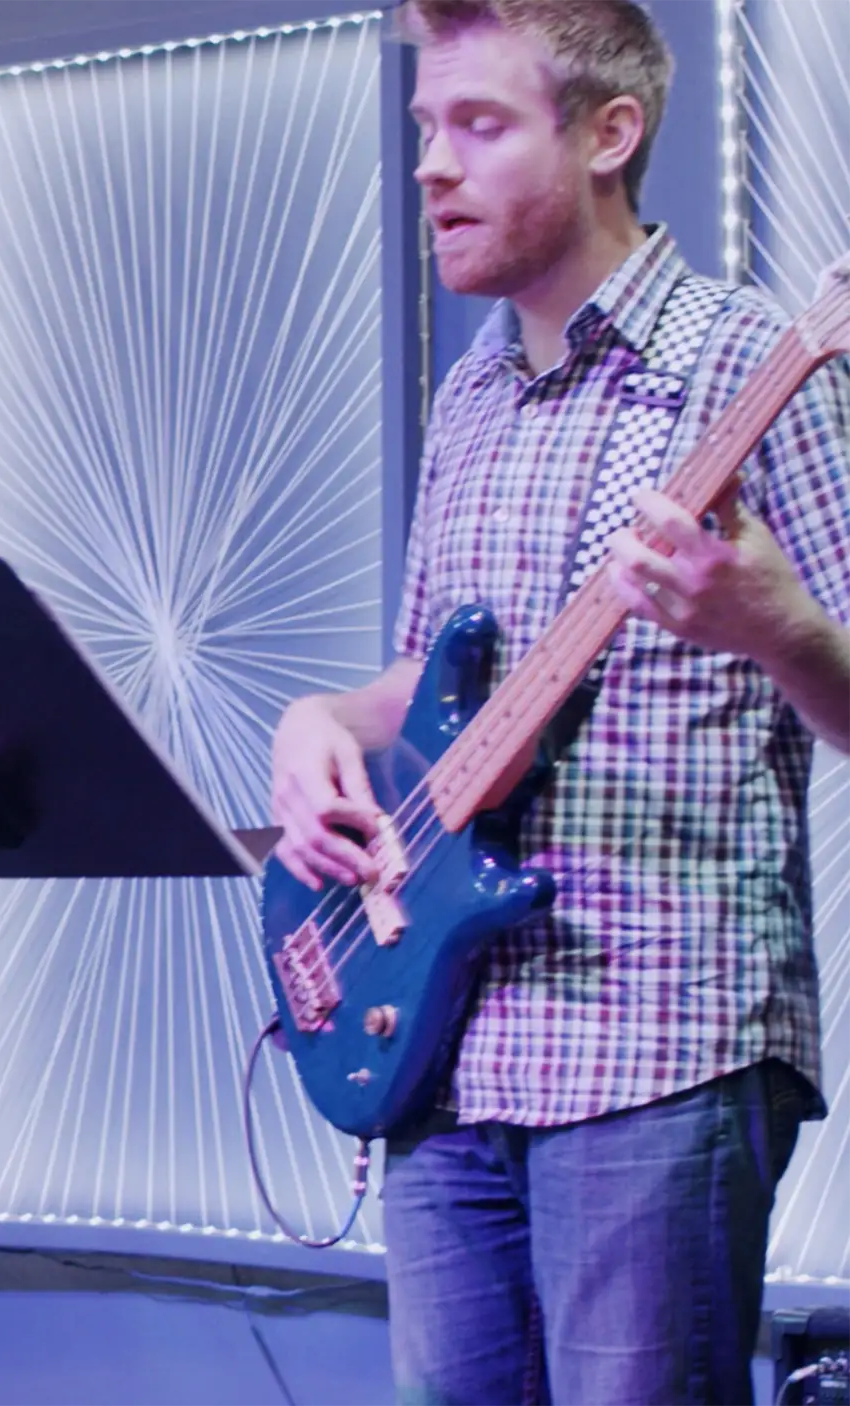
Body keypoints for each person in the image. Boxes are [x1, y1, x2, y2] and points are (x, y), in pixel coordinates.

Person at [267, 2, 850, 1399]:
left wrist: (769, 624)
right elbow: (436, 676)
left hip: (658, 1036)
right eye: (428, 127)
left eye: (480, 125)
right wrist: (319, 725)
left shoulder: (753, 362)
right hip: (445, 1046)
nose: (431, 166)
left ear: (610, 134)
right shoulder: (473, 393)